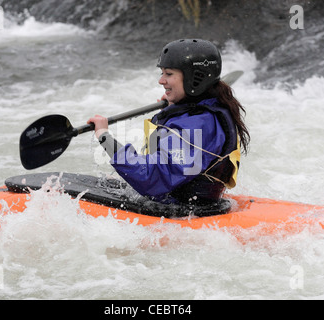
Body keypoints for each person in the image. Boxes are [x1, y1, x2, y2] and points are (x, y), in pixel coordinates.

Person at [87, 39, 249, 206]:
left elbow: (150, 177)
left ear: (195, 79)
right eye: (162, 73)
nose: (161, 80)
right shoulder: (203, 110)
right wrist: (172, 111)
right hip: (184, 200)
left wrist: (104, 137)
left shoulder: (197, 127)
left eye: (169, 74)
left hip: (182, 210)